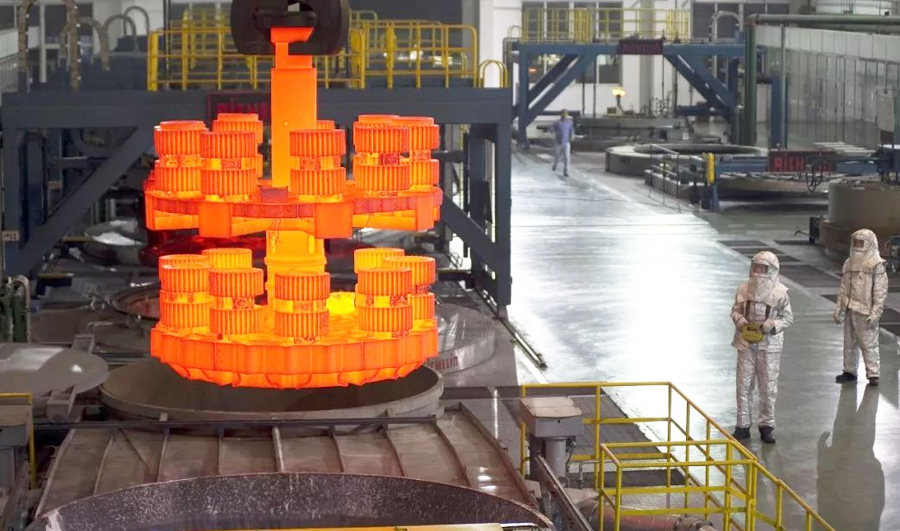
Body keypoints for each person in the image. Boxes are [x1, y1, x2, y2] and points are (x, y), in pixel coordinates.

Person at [730, 251, 793, 444]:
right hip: (746, 343)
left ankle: (766, 426)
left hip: (769, 346)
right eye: (756, 267)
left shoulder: (780, 293)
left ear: (772, 270)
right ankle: (742, 426)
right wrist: (740, 321)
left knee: (768, 388)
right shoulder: (743, 289)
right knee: (743, 385)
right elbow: (735, 311)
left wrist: (772, 325)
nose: (758, 272)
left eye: (763, 268)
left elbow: (787, 318)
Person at [834, 228, 888, 387]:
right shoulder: (849, 263)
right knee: (849, 343)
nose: (858, 246)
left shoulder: (876, 264)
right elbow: (844, 287)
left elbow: (880, 291)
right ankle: (849, 371)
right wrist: (839, 308)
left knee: (868, 343)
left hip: (865, 311)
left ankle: (873, 373)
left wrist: (876, 312)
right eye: (856, 242)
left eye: (861, 243)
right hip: (850, 308)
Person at [550, 110, 575, 177]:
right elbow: (551, 128)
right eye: (563, 114)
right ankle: (555, 165)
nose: (564, 115)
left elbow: (571, 130)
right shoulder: (557, 122)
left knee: (567, 157)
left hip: (566, 142)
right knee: (557, 156)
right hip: (558, 142)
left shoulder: (570, 122)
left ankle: (566, 171)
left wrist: (572, 135)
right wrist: (554, 131)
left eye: (566, 114)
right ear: (561, 115)